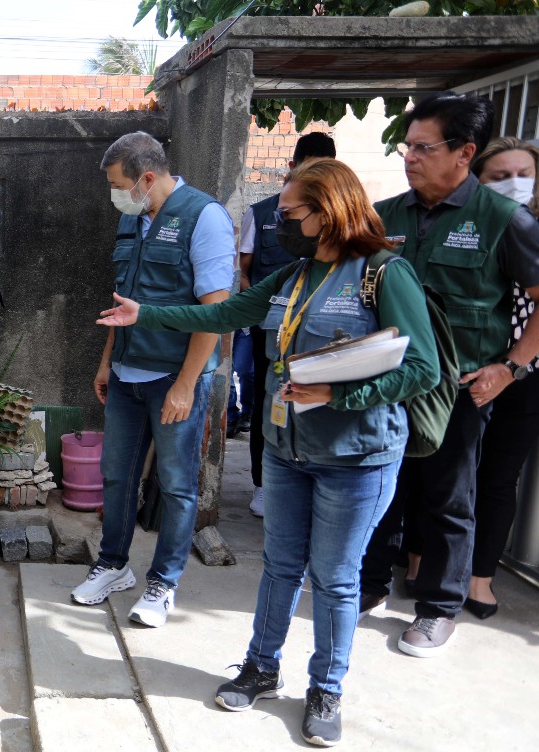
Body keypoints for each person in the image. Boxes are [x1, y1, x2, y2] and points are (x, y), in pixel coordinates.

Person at [95, 159, 438, 747]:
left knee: (334, 579)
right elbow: (224, 313)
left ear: (328, 212)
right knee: (279, 566)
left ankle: (326, 688)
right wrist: (146, 313)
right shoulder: (294, 276)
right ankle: (261, 666)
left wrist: (339, 394)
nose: (278, 225)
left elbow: (422, 369)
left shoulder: (383, 274)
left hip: (355, 458)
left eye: (289, 213)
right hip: (287, 451)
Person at [358, 94, 539, 657]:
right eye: (407, 146)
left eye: (423, 147)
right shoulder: (385, 216)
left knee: (448, 497)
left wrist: (510, 369)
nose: (409, 156)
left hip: (458, 387)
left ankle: (439, 608)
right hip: (390, 381)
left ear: (464, 153)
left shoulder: (504, 219)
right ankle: (368, 585)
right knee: (382, 487)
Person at [69, 131, 234, 628]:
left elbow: (216, 313)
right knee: (116, 475)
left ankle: (163, 583)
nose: (115, 196)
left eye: (119, 186)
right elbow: (122, 300)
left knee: (177, 484)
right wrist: (107, 360)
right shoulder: (133, 218)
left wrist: (186, 384)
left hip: (173, 378)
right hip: (126, 374)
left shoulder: (204, 217)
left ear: (146, 177)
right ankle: (113, 565)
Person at [238, 132, 339, 516]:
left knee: (314, 403)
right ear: (292, 167)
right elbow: (241, 279)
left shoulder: (351, 233)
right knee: (269, 400)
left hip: (322, 336)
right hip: (272, 333)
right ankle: (264, 483)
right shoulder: (265, 216)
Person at [465, 137, 539, 620]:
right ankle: (423, 561)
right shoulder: (467, 226)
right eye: (500, 176)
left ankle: (480, 579)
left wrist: (512, 368)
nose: (514, 184)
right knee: (443, 473)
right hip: (464, 367)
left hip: (525, 373)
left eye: (524, 174)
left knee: (497, 478)